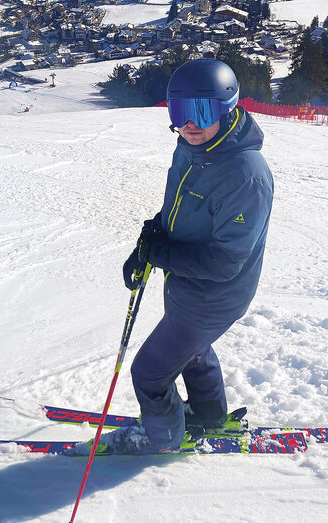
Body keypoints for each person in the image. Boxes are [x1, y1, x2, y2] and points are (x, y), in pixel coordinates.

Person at [112, 59, 274, 453]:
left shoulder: (245, 176)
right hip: (187, 287)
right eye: (179, 112)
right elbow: (179, 208)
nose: (188, 124)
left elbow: (225, 262)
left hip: (214, 297)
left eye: (200, 111)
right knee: (192, 351)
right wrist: (148, 240)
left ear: (227, 108)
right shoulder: (192, 149)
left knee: (149, 374)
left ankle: (165, 439)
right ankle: (209, 416)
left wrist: (162, 254)